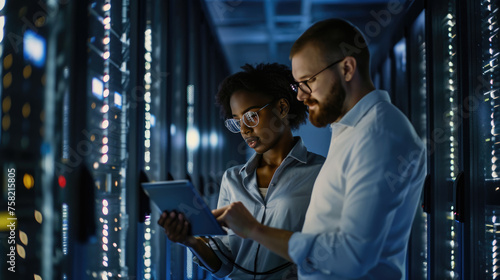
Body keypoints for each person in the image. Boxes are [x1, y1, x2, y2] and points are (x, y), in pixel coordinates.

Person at [212, 18, 427, 280]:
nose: (300, 96)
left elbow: (350, 257)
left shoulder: (378, 136)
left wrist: (255, 230)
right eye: (297, 85)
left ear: (347, 69)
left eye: (308, 81)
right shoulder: (349, 130)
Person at [157, 63, 325, 279]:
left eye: (251, 116)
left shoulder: (321, 173)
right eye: (237, 122)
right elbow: (226, 262)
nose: (245, 130)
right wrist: (189, 241)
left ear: (282, 108)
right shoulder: (233, 179)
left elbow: (331, 248)